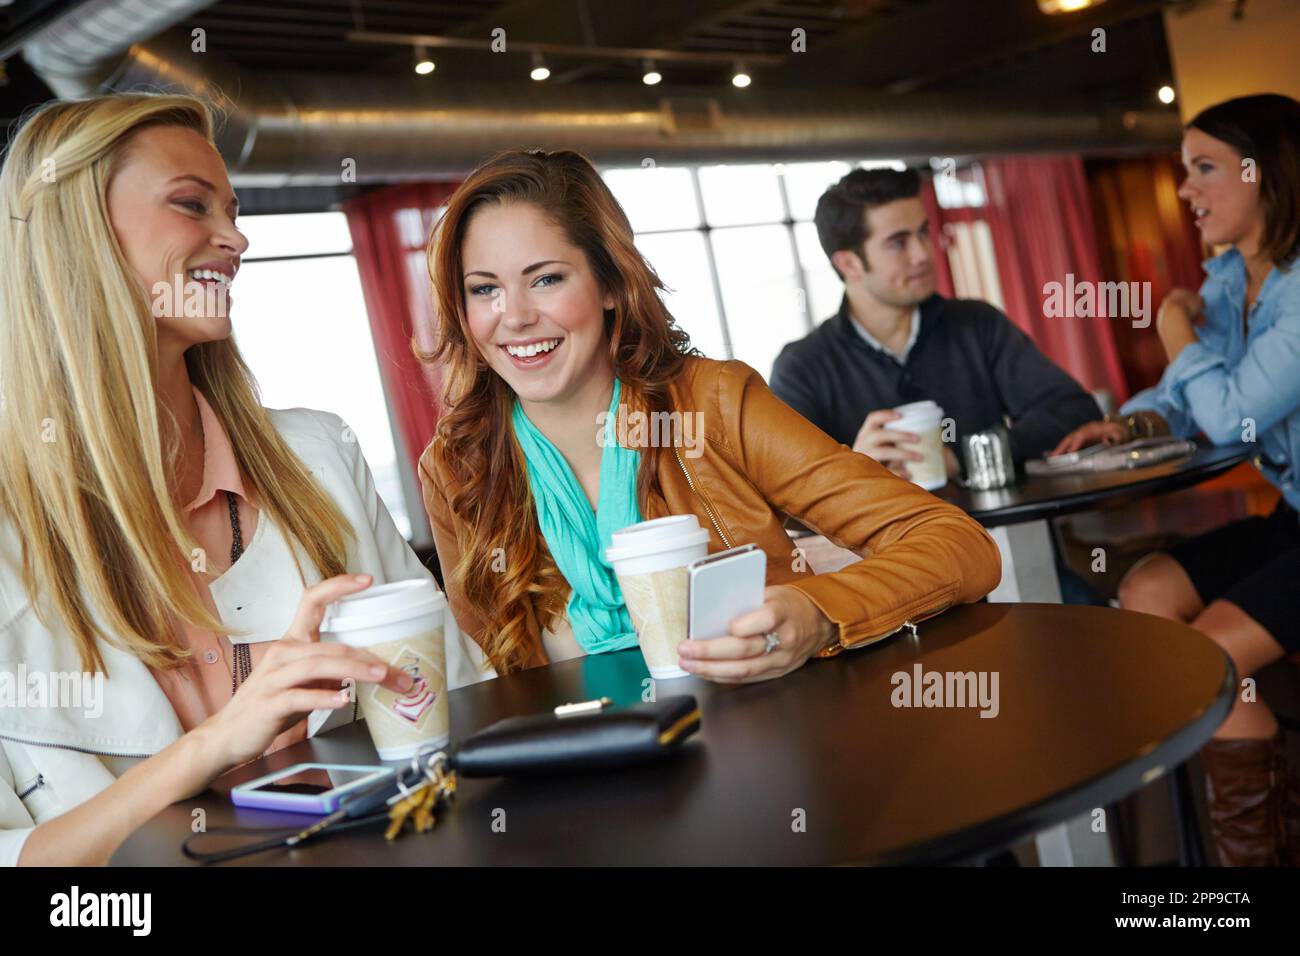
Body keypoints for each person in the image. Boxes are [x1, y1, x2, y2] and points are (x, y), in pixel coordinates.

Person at [0, 93, 487, 866]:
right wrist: (216, 746)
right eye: (191, 205)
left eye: (232, 209)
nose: (236, 239)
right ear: (77, 236)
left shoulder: (319, 456)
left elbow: (464, 703)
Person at [417, 148, 1002, 683]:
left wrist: (819, 612)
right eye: (484, 289)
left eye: (545, 279)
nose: (513, 316)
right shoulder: (456, 466)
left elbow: (956, 543)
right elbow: (482, 677)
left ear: (612, 285)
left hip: (767, 744)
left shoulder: (712, 404)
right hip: (583, 778)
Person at [1054, 93, 1300, 866]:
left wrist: (1171, 325)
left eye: (1205, 170)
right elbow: (1187, 398)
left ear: (1269, 176)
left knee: (1210, 665)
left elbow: (1228, 416)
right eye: (1183, 172)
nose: (1186, 192)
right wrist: (1132, 423)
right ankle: (1221, 816)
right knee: (1149, 588)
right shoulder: (1231, 279)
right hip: (1292, 517)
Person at [769, 166, 1100, 480]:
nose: (923, 254)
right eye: (899, 242)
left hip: (1004, 537)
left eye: (924, 233)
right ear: (849, 264)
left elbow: (1074, 412)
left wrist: (962, 458)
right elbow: (789, 495)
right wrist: (856, 475)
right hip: (882, 542)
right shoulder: (802, 367)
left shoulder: (977, 324)